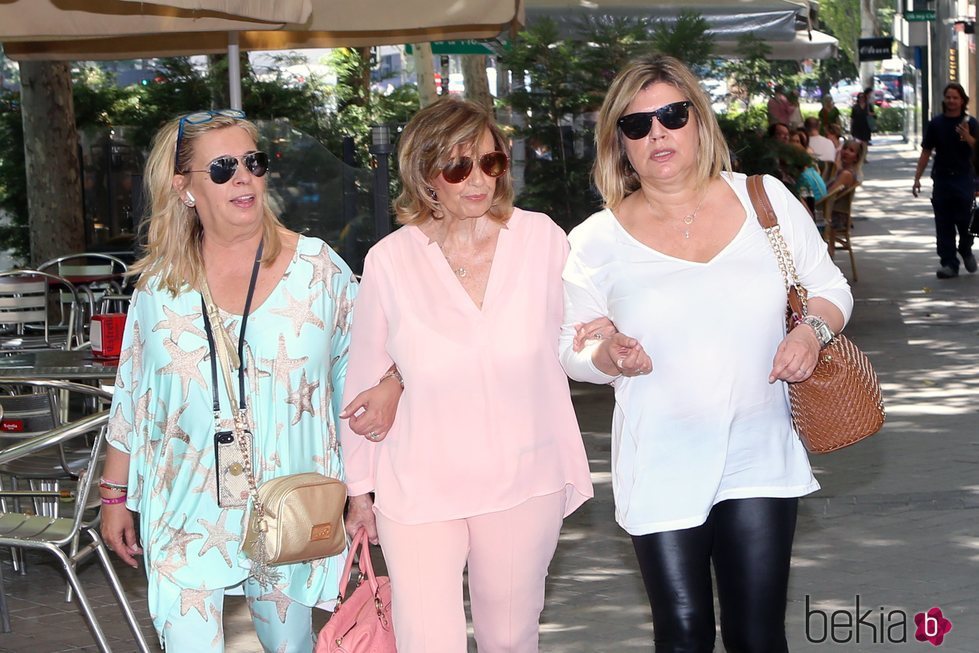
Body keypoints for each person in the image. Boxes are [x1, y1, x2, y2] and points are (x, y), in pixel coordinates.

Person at [560, 54, 853, 653]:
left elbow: (830, 289)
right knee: (684, 635)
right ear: (620, 144)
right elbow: (573, 346)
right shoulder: (594, 240)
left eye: (671, 114)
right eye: (637, 125)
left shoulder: (762, 200)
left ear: (699, 120)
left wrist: (808, 335)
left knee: (757, 634)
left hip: (758, 450)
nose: (657, 133)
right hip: (662, 458)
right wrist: (609, 355)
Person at [101, 109, 365, 652]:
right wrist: (113, 494)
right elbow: (134, 395)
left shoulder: (319, 271)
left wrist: (364, 493)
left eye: (253, 162)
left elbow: (355, 386)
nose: (243, 177)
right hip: (184, 505)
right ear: (185, 188)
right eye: (221, 168)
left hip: (290, 502)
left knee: (291, 647)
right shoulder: (158, 286)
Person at [340, 96, 594, 652]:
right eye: (458, 167)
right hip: (418, 483)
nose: (478, 180)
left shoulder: (541, 240)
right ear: (425, 175)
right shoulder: (390, 260)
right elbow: (360, 380)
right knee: (427, 642)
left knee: (509, 639)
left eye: (490, 162)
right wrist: (359, 490)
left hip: (523, 479)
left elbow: (583, 331)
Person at [913, 82, 979, 279]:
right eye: (948, 97)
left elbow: (977, 149)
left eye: (955, 97)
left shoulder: (971, 123)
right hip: (942, 179)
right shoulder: (936, 124)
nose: (951, 101)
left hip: (964, 179)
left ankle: (965, 249)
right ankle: (949, 263)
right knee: (944, 224)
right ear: (944, 99)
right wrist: (917, 178)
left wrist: (967, 135)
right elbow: (926, 151)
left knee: (966, 221)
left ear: (962, 101)